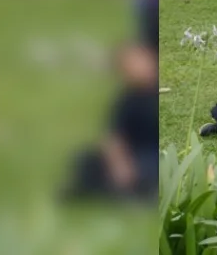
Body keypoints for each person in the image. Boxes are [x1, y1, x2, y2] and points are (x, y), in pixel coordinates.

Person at [65, 43, 158, 200]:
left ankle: (129, 195)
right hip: (133, 154)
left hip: (153, 154)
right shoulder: (126, 99)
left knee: (150, 169)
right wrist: (120, 164)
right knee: (86, 159)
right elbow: (113, 136)